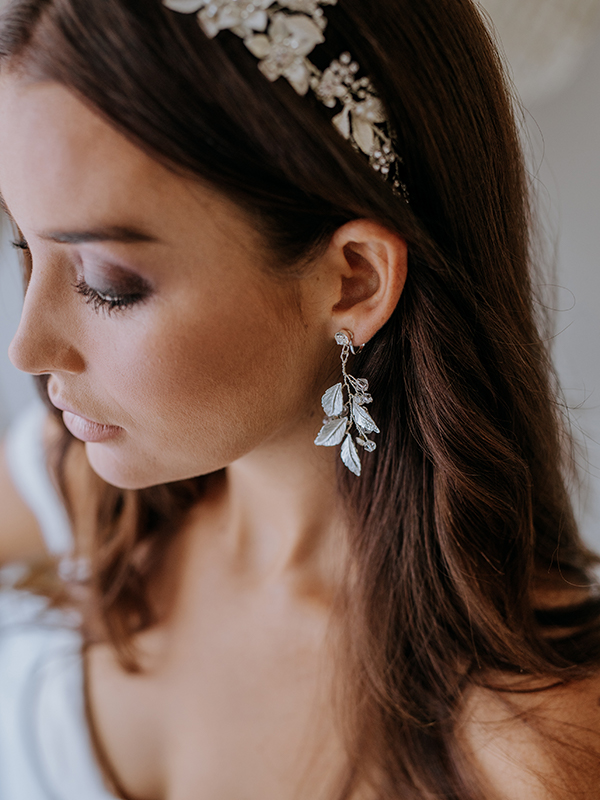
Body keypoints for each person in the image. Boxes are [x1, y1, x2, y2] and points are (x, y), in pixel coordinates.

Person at [0, 0, 599, 798]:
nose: (27, 349)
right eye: (21, 245)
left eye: (109, 285)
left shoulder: (531, 752)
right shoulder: (77, 481)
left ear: (352, 279)